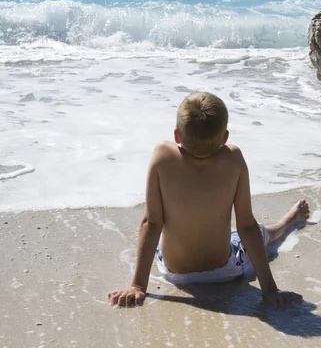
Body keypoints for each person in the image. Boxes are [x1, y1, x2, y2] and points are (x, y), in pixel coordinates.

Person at [109, 92, 309, 309]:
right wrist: (270, 290)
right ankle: (285, 224)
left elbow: (152, 223)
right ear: (224, 137)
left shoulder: (162, 156)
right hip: (224, 271)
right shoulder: (233, 159)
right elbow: (246, 226)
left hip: (174, 272)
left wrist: (138, 286)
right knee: (258, 232)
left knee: (162, 235)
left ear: (177, 135)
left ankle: (285, 223)